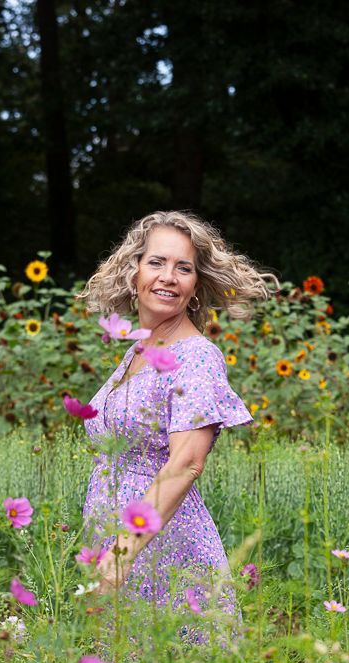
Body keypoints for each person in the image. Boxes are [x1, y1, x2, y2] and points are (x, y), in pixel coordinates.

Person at [75, 210, 274, 626]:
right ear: (134, 273)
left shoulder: (197, 357)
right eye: (157, 262)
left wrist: (121, 554)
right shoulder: (137, 352)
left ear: (195, 287)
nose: (169, 276)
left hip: (164, 552)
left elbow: (186, 463)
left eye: (183, 268)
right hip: (119, 545)